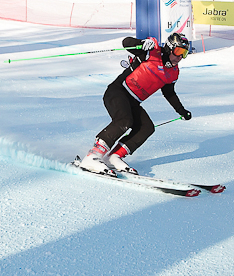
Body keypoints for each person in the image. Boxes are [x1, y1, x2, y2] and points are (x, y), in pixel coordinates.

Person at [79, 32, 193, 176]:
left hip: (133, 101)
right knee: (125, 121)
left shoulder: (173, 72)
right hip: (117, 92)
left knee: (146, 127)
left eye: (184, 54)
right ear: (170, 48)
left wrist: (181, 111)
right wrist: (142, 42)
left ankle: (114, 157)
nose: (180, 57)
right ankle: (93, 156)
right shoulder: (150, 53)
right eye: (178, 52)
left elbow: (169, 93)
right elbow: (126, 42)